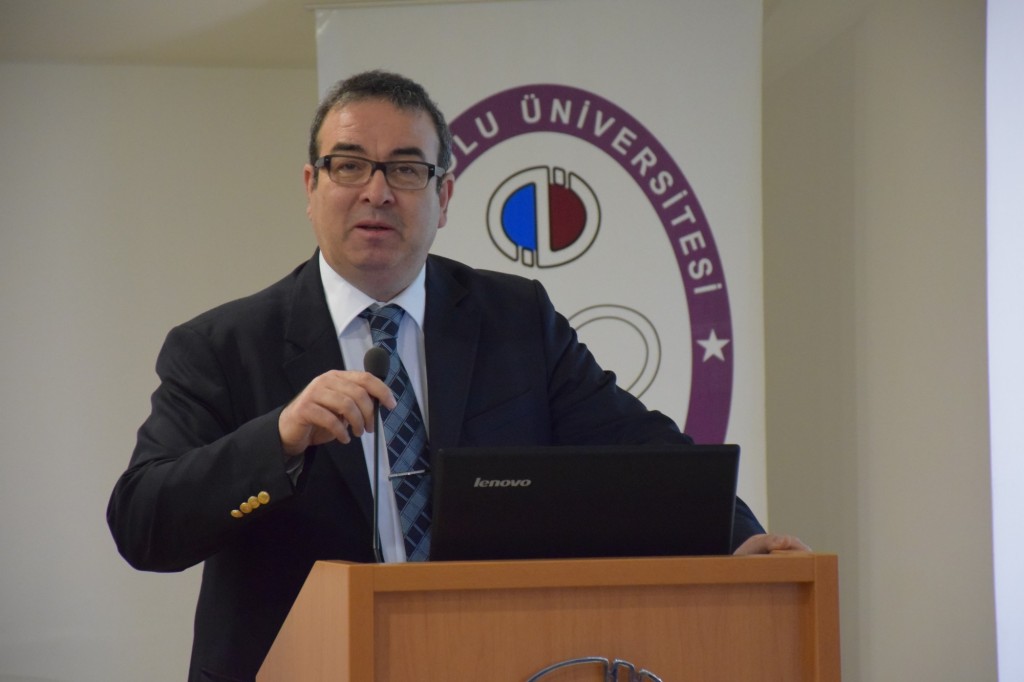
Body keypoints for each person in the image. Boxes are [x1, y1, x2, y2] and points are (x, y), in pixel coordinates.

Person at [107, 70, 807, 682]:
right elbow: (143, 525)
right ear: (311, 187)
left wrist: (738, 537)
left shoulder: (516, 319)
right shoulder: (221, 346)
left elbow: (637, 447)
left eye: (406, 170)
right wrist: (281, 438)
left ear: (444, 197)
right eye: (349, 166)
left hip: (492, 660)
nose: (377, 191)